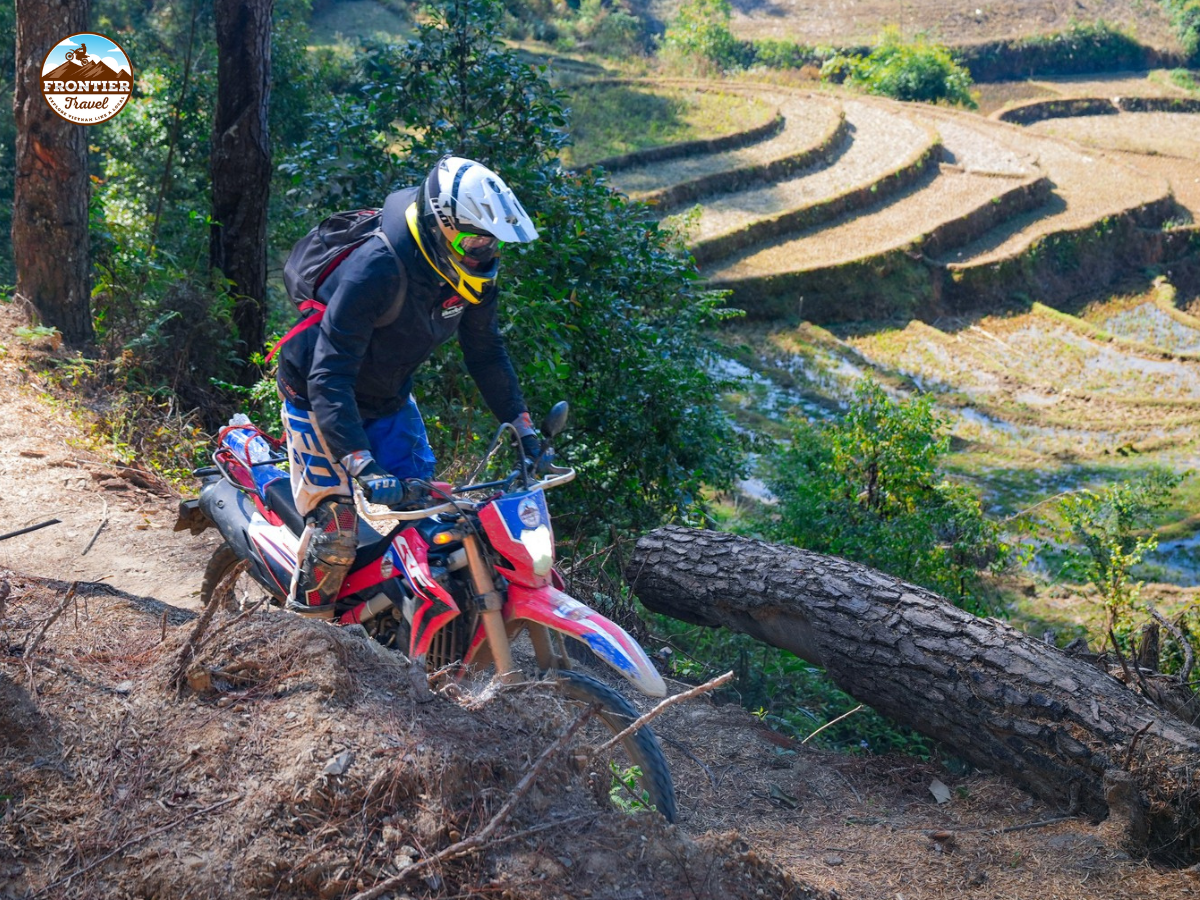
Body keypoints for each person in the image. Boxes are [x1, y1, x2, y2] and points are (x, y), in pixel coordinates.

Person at [276, 155, 541, 619]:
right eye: (474, 240)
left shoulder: (474, 276)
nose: (484, 252)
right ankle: (304, 636)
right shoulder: (377, 267)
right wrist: (360, 462)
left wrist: (521, 424)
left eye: (493, 242)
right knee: (336, 530)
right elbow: (328, 374)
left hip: (388, 395)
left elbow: (486, 352)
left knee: (432, 519)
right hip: (318, 396)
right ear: (439, 226)